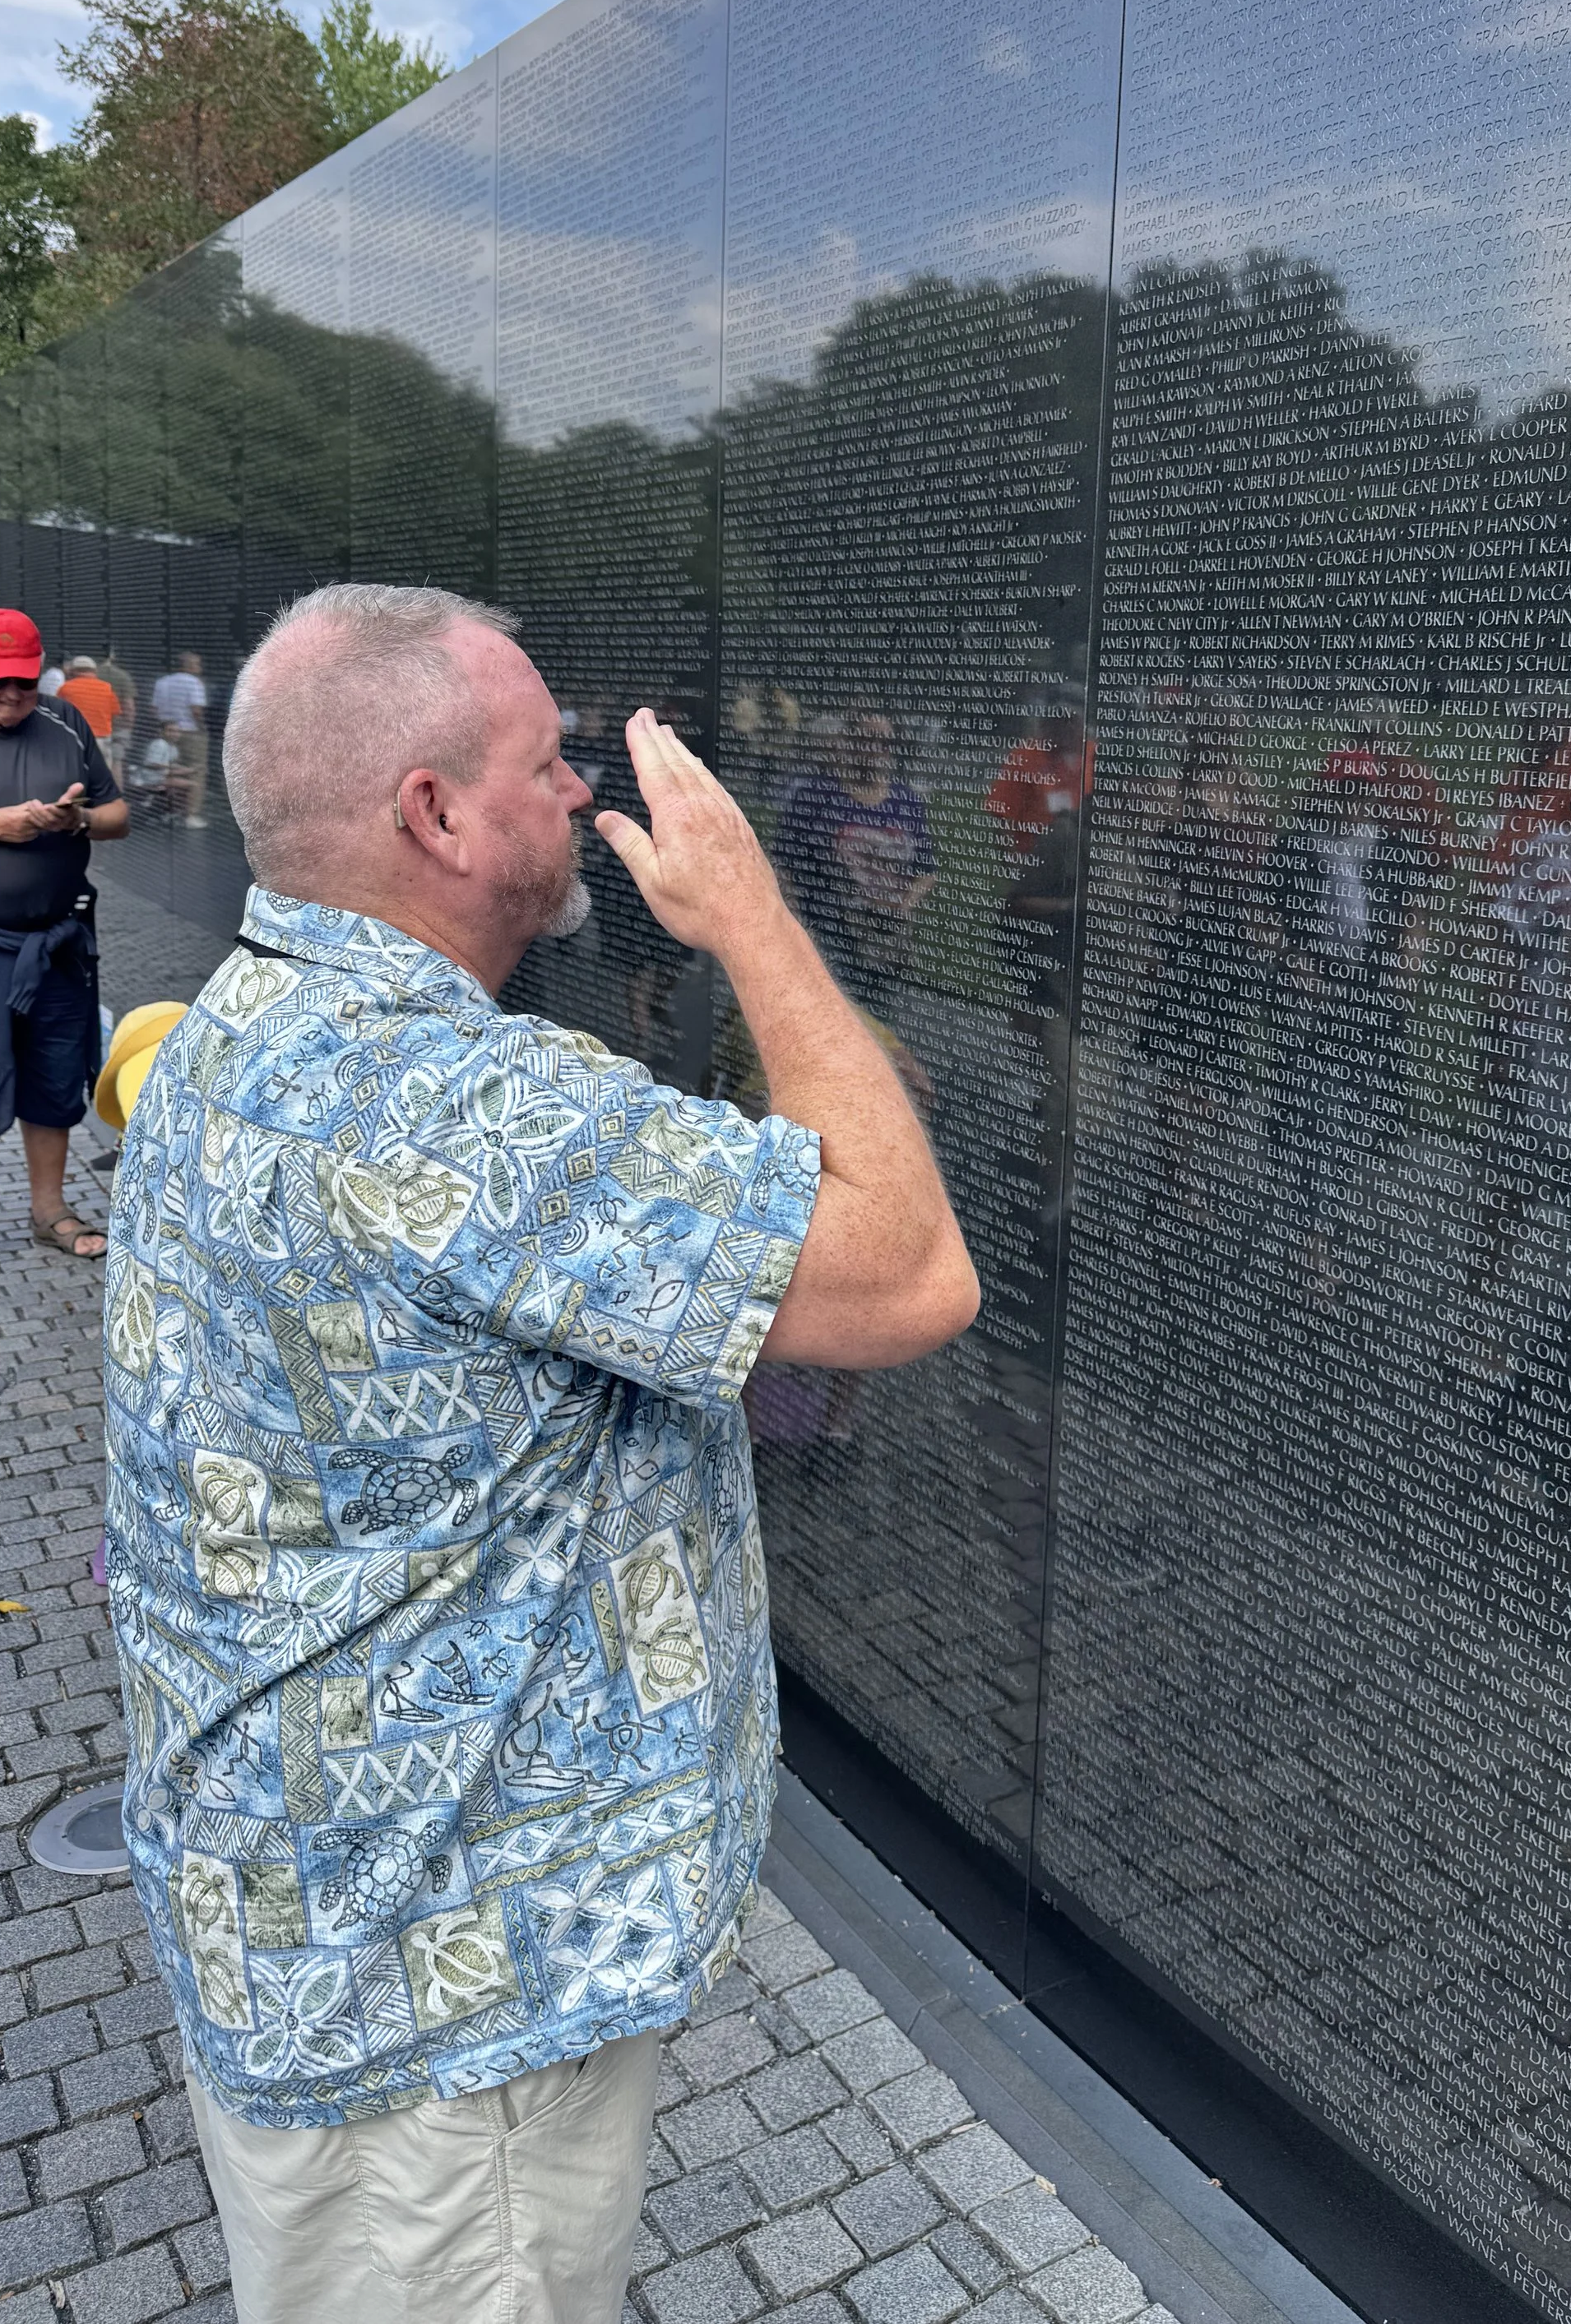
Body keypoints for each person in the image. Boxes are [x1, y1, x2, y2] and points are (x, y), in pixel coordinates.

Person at [103, 581, 977, 2324]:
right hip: (442, 2029)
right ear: (432, 811)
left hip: (307, 1927)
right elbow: (906, 1269)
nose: (585, 785)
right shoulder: (468, 1114)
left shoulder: (229, 1030)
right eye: (547, 755)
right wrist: (754, 920)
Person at [0, 606, 128, 1281]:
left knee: (56, 1074)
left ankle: (49, 1210)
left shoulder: (65, 721)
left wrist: (77, 817)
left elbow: (118, 817)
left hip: (58, 941)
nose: (14, 697)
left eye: (25, 682)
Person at [772, 710, 937, 1005]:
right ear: (848, 742)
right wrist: (795, 924)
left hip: (885, 942)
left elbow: (927, 868)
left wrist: (903, 907)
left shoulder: (907, 801)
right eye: (866, 739)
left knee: (880, 1023)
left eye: (883, 742)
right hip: (828, 937)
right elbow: (784, 863)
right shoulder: (815, 796)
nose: (875, 750)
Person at [152, 649, 210, 826]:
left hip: (166, 731)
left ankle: (173, 811)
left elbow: (154, 709)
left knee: (170, 770)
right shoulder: (194, 683)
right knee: (195, 771)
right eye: (197, 664)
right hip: (190, 732)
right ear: (188, 666)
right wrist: (202, 728)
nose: (199, 667)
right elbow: (196, 710)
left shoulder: (162, 682)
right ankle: (191, 815)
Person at [60, 655, 121, 770]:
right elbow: (115, 714)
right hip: (101, 739)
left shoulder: (65, 688)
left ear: (73, 671)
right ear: (94, 671)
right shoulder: (107, 688)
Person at [94, 648, 137, 787]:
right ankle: (116, 797)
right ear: (113, 656)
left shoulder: (92, 675)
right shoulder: (123, 676)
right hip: (117, 726)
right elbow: (128, 705)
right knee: (116, 762)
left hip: (95, 725)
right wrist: (128, 725)